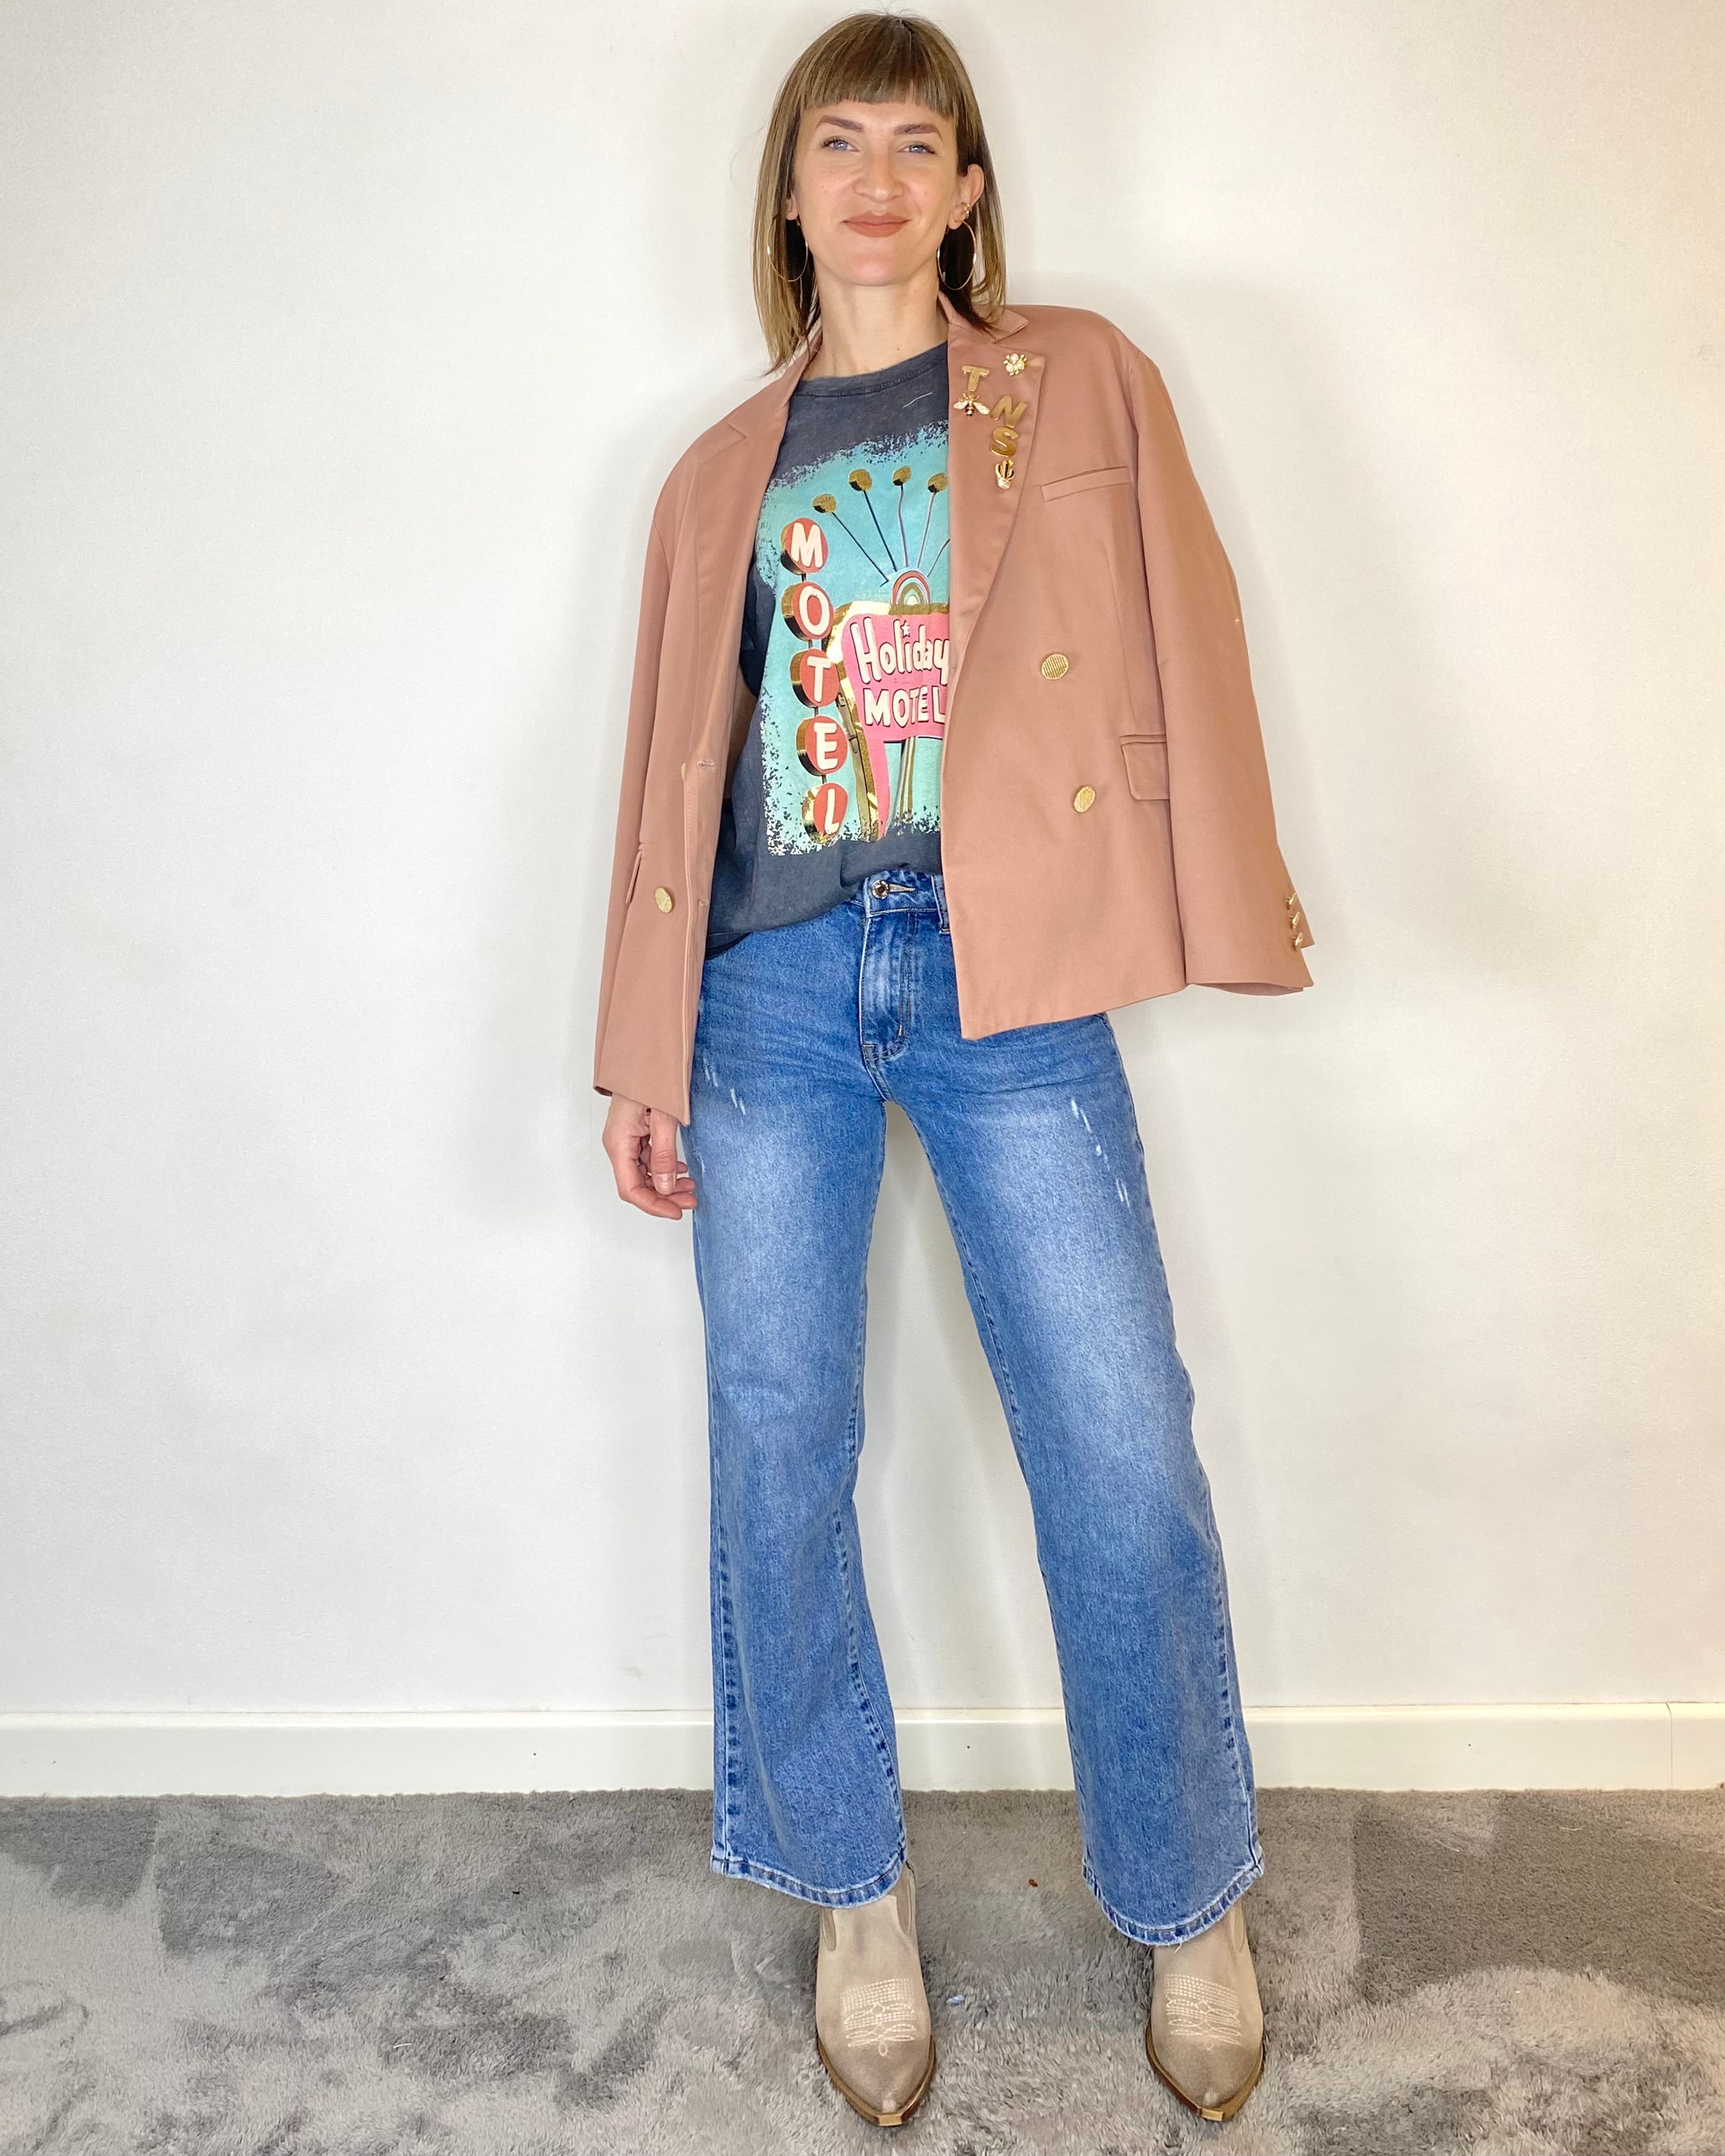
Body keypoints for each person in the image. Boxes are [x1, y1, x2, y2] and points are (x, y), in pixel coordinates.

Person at [594, 10, 1312, 2129]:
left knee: (1118, 1438)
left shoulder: (1073, 381)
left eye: (919, 146)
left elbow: (1189, 631)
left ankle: (1185, 1895)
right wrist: (640, 1046)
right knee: (777, 1439)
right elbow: (671, 781)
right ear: (789, 192)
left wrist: (1220, 899)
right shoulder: (714, 470)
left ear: (968, 189)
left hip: (1008, 969)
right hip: (768, 990)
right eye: (840, 145)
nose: (879, 182)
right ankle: (852, 1890)